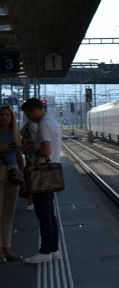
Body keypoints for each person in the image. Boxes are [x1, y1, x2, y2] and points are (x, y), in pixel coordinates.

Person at [21, 98, 62, 263]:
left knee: (43, 213)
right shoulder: (52, 122)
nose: (29, 118)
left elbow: (45, 150)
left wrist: (30, 149)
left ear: (34, 110)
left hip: (42, 175)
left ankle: (45, 251)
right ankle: (54, 249)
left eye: (28, 114)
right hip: (50, 173)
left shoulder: (43, 124)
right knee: (49, 213)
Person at [0, 105, 24, 262]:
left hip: (13, 172)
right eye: (2, 115)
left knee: (9, 214)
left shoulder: (15, 133)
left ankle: (6, 248)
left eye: (8, 115)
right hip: (0, 171)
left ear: (12, 117)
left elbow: (19, 154)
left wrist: (23, 174)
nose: (4, 117)